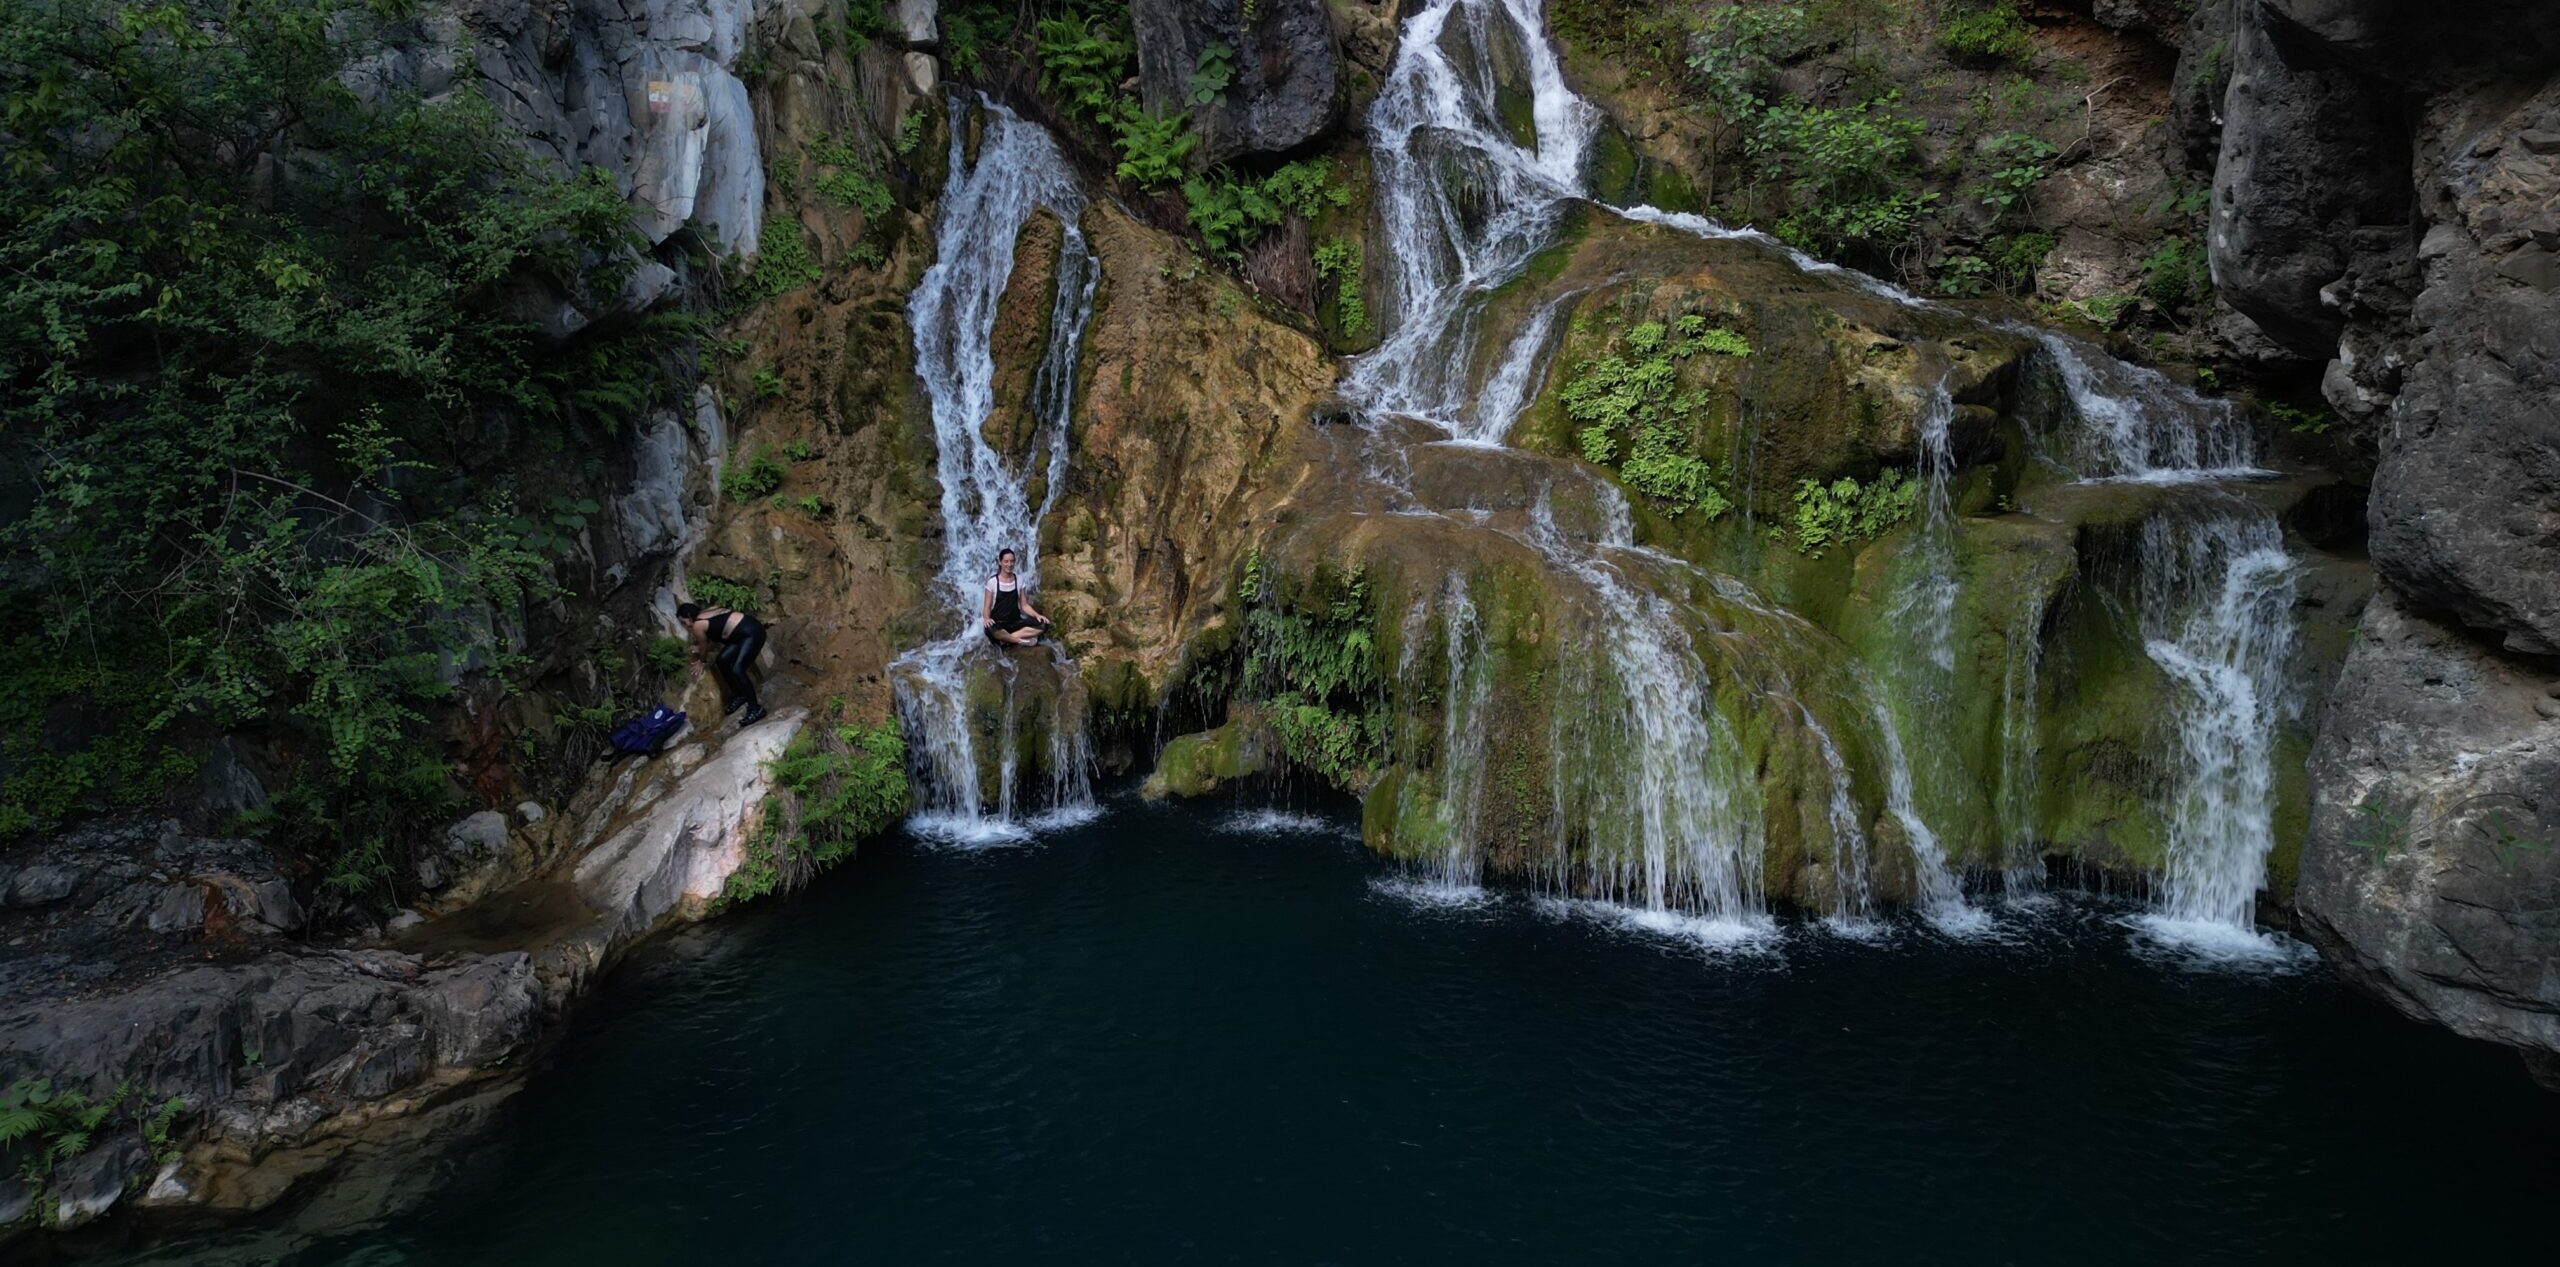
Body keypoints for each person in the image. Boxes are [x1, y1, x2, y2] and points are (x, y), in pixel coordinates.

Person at [677, 598, 768, 725]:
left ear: (688, 616)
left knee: (738, 669)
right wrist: (700, 648)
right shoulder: (709, 612)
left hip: (752, 633)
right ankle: (740, 694)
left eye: (683, 622)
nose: (685, 625)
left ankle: (755, 708)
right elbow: (717, 632)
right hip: (741, 635)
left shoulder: (698, 625)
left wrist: (701, 661)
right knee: (722, 660)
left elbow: (704, 647)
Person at [980, 547, 1052, 647]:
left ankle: (1007, 639)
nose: (1009, 564)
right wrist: (987, 618)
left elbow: (1024, 605)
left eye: (1012, 561)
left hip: (1015, 622)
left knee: (1044, 624)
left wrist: (1037, 615)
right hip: (999, 624)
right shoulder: (992, 582)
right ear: (1000, 562)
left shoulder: (1019, 580)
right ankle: (1018, 640)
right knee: (990, 629)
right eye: (1006, 561)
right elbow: (986, 607)